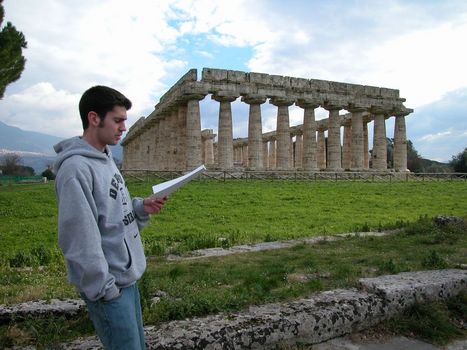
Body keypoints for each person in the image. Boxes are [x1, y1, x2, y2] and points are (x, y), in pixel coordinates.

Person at [53, 85, 167, 349]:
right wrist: (105, 290)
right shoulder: (75, 169)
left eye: (125, 120)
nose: (123, 127)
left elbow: (114, 209)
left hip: (127, 280)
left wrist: (140, 207)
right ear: (94, 118)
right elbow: (78, 239)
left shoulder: (106, 159)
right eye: (118, 120)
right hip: (109, 289)